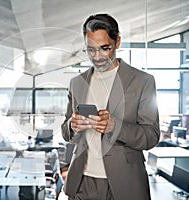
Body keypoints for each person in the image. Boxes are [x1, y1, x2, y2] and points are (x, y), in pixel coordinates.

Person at [61, 13, 160, 200]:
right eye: (90, 50)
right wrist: (72, 126)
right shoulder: (77, 83)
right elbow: (67, 134)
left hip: (125, 184)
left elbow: (151, 136)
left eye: (104, 48)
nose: (97, 57)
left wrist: (116, 127)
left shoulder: (142, 81)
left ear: (118, 42)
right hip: (82, 183)